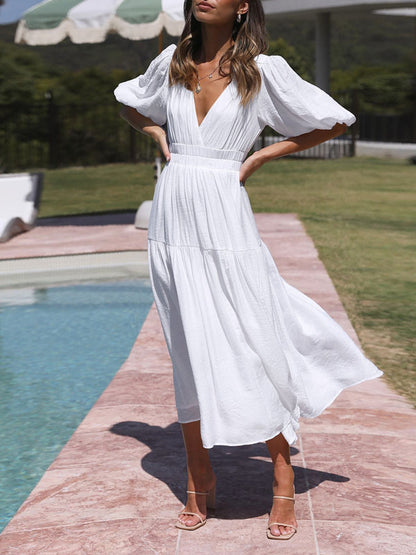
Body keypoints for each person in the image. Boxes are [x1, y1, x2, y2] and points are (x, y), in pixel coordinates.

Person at [114, 0, 383, 541]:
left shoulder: (263, 70)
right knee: (187, 345)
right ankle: (199, 476)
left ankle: (282, 477)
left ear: (242, 7)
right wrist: (157, 134)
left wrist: (260, 155)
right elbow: (128, 103)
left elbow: (333, 121)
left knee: (250, 337)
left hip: (224, 209)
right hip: (172, 216)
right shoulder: (172, 61)